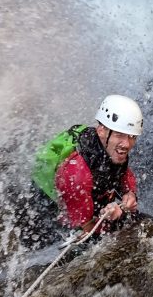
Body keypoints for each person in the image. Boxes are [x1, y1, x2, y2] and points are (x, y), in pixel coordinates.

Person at [32, 94, 144, 235]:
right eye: (119, 135)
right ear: (101, 131)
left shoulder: (108, 148)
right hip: (49, 212)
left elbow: (123, 172)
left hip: (84, 198)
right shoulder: (76, 174)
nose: (127, 144)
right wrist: (113, 218)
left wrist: (129, 192)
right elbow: (85, 231)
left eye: (132, 136)